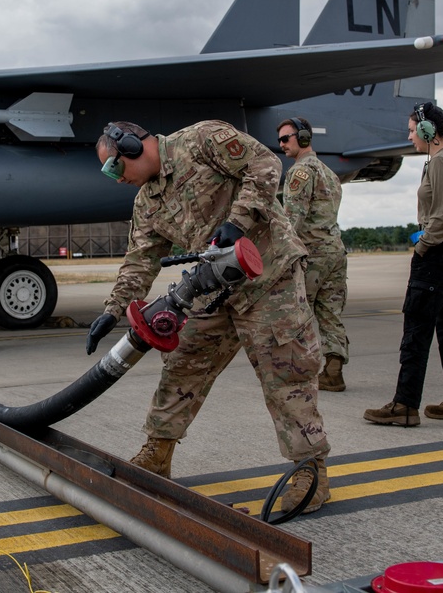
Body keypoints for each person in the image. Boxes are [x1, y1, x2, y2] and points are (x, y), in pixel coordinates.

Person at [87, 120, 331, 514]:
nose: (116, 179)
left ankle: (310, 470)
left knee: (286, 373)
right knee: (182, 365)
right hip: (215, 288)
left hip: (269, 278)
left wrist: (239, 220)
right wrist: (113, 309)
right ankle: (158, 452)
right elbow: (140, 260)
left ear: (131, 147)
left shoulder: (200, 142)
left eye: (115, 168)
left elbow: (266, 164)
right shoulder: (147, 201)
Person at [364, 102, 443, 427]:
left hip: (441, 251)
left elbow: (441, 218)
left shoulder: (440, 162)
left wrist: (422, 247)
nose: (411, 136)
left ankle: (404, 405)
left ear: (429, 130)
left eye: (413, 130)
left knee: (416, 327)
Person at [275, 118, 350, 392]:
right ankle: (333, 371)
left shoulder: (300, 172)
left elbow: (292, 219)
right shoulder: (330, 173)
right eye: (280, 140)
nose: (281, 144)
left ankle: (294, 371)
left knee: (293, 312)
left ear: (304, 138)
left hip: (312, 255)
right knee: (330, 312)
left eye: (286, 138)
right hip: (335, 253)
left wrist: (277, 258)